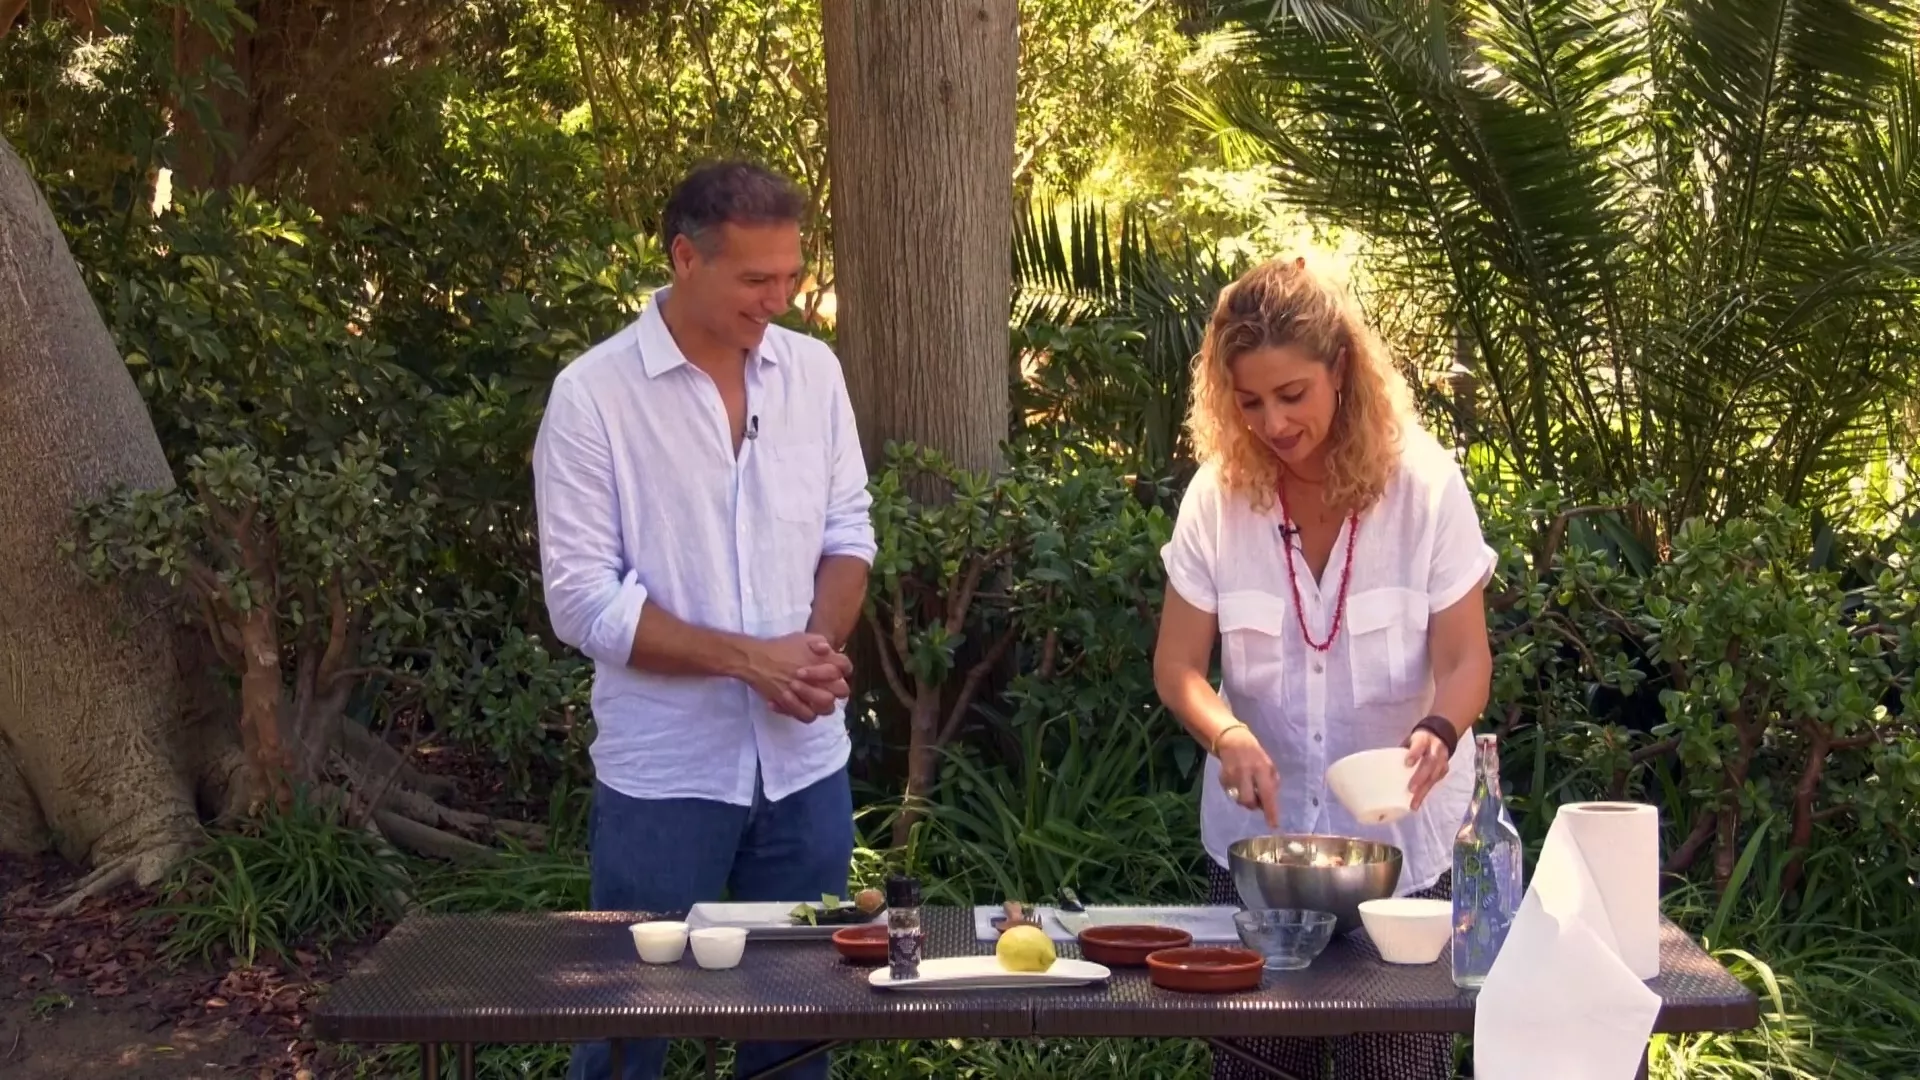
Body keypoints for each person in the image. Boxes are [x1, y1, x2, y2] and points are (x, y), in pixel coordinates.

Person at [533, 161, 875, 1080]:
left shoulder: (816, 374)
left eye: (792, 276)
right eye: (756, 280)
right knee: (622, 1032)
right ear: (685, 258)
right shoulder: (592, 395)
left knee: (798, 1029)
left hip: (807, 770)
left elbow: (850, 535)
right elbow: (581, 600)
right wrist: (749, 663)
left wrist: (813, 654)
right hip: (663, 777)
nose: (780, 299)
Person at [1152, 256, 1495, 1080]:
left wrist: (1440, 729)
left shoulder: (1425, 488)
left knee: (1394, 1069)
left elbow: (1466, 657)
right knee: (1254, 1066)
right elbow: (1178, 666)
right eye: (1250, 401)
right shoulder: (1218, 496)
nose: (1272, 422)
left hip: (1403, 857)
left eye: (1292, 394)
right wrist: (1225, 731)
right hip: (1258, 855)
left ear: (1341, 369)